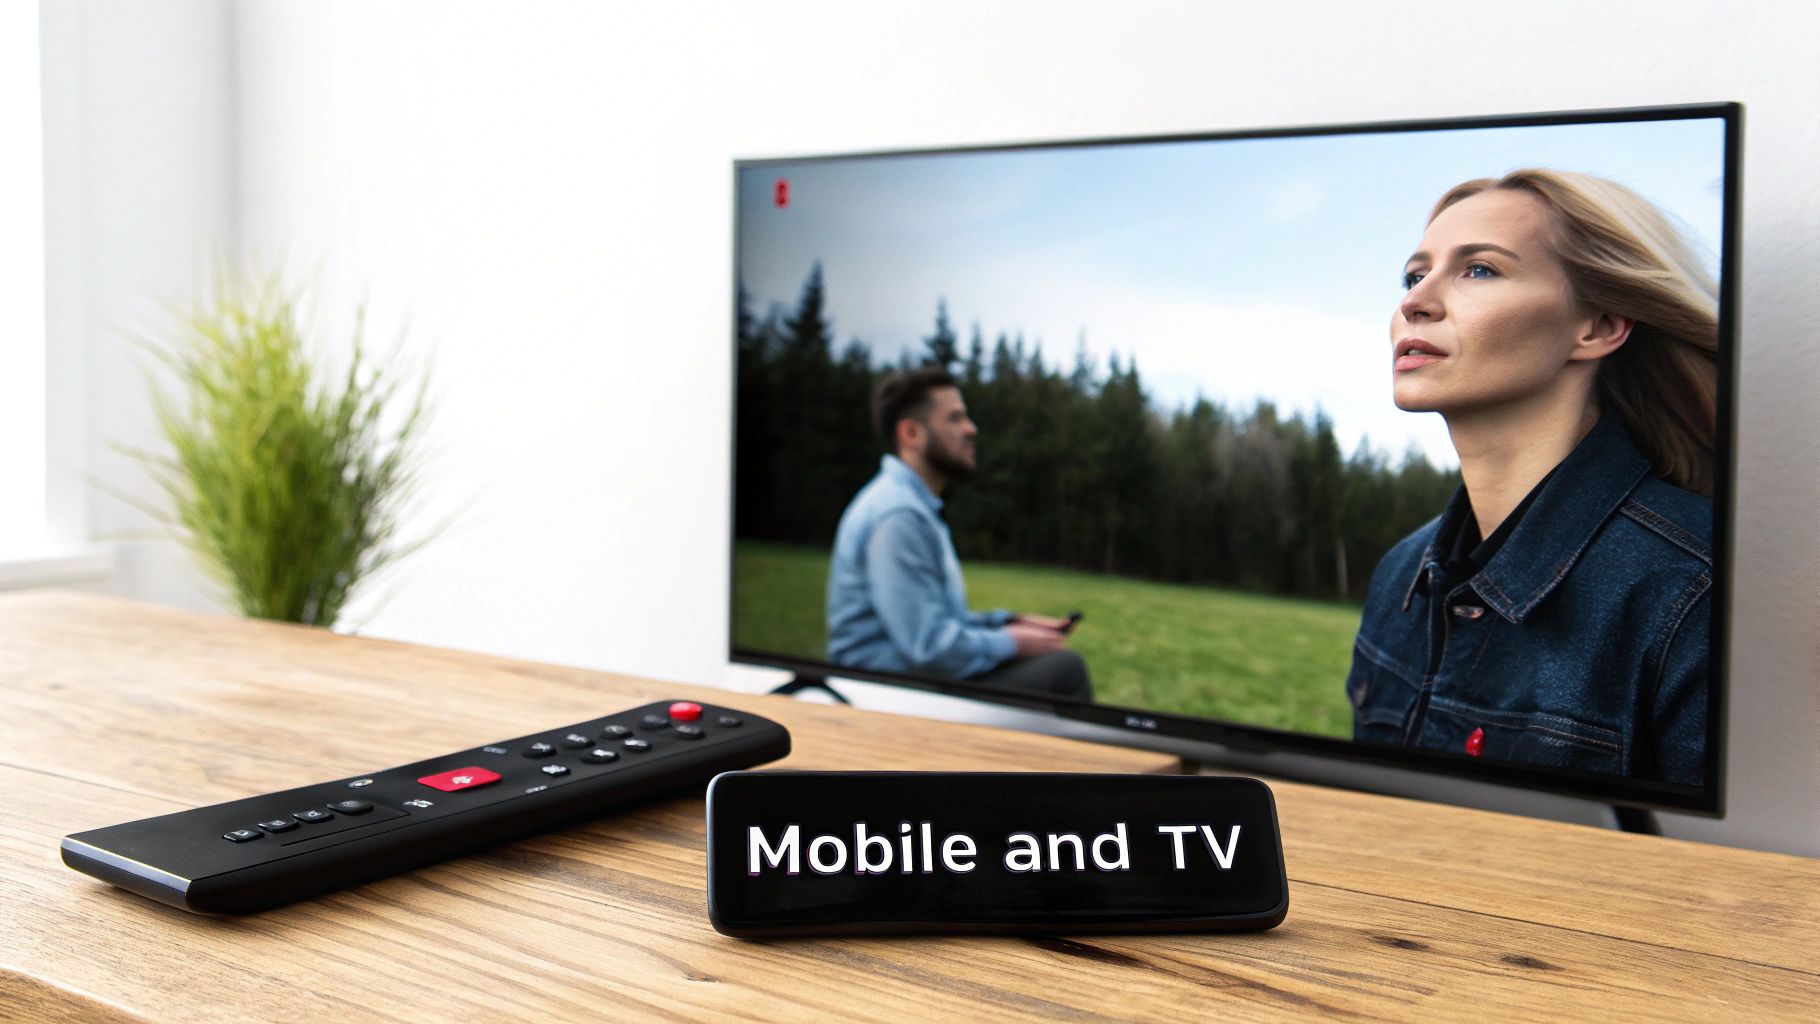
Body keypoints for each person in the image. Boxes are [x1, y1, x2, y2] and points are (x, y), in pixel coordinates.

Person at [1347, 169, 1716, 786]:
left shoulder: (1694, 593)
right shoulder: (1399, 577)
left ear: (1597, 326)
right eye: (1414, 275)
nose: (1415, 301)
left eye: (1479, 270)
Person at [826, 367, 1093, 700]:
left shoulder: (913, 505)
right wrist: (1014, 642)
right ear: (911, 434)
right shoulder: (898, 516)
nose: (971, 429)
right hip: (883, 696)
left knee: (1053, 665)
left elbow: (937, 620)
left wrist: (1007, 622)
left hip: (908, 682)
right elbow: (929, 647)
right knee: (1064, 669)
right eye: (955, 419)